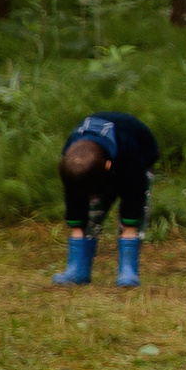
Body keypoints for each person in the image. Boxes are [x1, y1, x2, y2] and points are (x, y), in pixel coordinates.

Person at [52, 112, 160, 288]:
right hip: (99, 161)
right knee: (92, 210)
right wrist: (76, 226)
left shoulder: (130, 151)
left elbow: (135, 193)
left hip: (139, 160)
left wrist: (130, 224)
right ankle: (78, 269)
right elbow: (73, 194)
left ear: (108, 167)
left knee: (133, 215)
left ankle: (128, 271)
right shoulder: (72, 157)